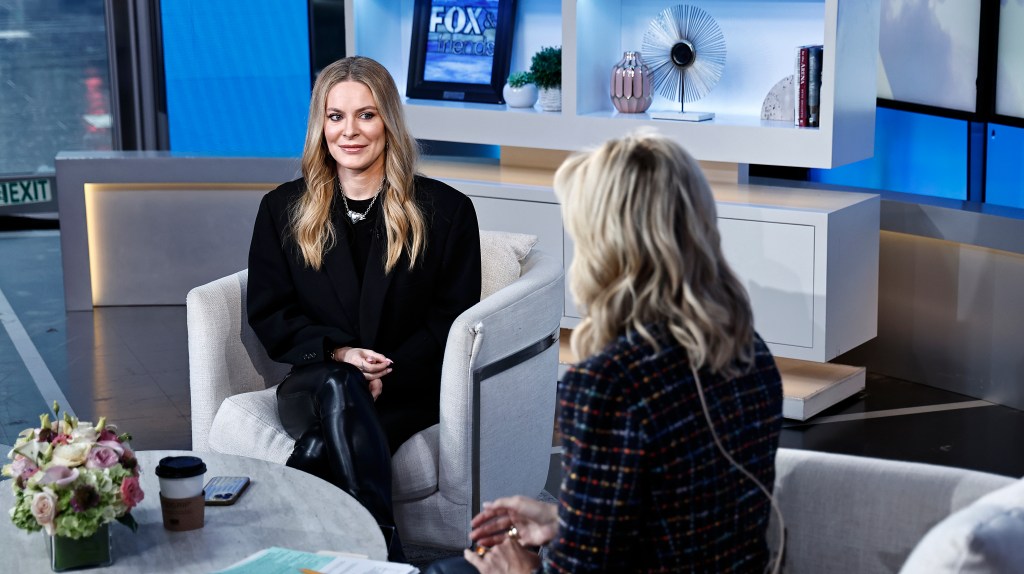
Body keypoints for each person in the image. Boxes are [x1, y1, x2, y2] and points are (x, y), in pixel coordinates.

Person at [451, 131, 784, 573]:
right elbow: (679, 518)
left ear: (607, 248)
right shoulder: (750, 350)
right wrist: (565, 520)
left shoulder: (608, 384)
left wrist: (520, 569)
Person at [247, 56, 482, 562]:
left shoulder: (448, 211)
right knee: (339, 381)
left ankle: (318, 554)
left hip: (405, 386)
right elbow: (270, 313)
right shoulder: (280, 209)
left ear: (389, 122)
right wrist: (340, 354)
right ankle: (381, 552)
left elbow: (453, 319)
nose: (349, 132)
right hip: (314, 381)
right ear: (320, 125)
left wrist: (379, 370)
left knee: (314, 450)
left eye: (366, 115)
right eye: (336, 116)